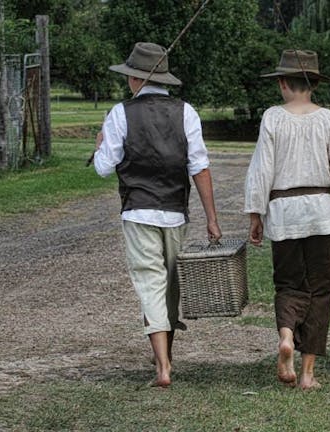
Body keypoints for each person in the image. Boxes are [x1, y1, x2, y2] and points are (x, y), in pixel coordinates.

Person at [93, 42, 222, 387]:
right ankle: (166, 357)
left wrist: (99, 145)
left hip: (138, 211)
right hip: (175, 212)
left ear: (136, 78)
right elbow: (200, 167)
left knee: (149, 283)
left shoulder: (120, 113)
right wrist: (211, 218)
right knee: (170, 286)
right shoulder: (187, 112)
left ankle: (162, 366)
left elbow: (104, 168)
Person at [244, 49, 330, 390]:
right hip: (321, 213)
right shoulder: (329, 120)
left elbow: (261, 171)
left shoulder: (272, 118)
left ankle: (285, 337)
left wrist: (256, 213)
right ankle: (308, 373)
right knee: (321, 289)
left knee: (289, 283)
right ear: (314, 85)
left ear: (282, 83)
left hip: (283, 212)